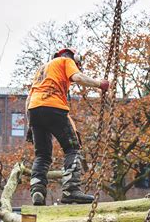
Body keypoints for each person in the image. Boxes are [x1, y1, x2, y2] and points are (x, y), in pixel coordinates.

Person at [25, 48, 109, 205]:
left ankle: (37, 191)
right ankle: (71, 190)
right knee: (72, 149)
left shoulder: (42, 70)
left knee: (42, 155)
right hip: (53, 106)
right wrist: (100, 84)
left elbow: (29, 98)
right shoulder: (67, 61)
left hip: (34, 110)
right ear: (75, 59)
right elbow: (77, 77)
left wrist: (30, 125)